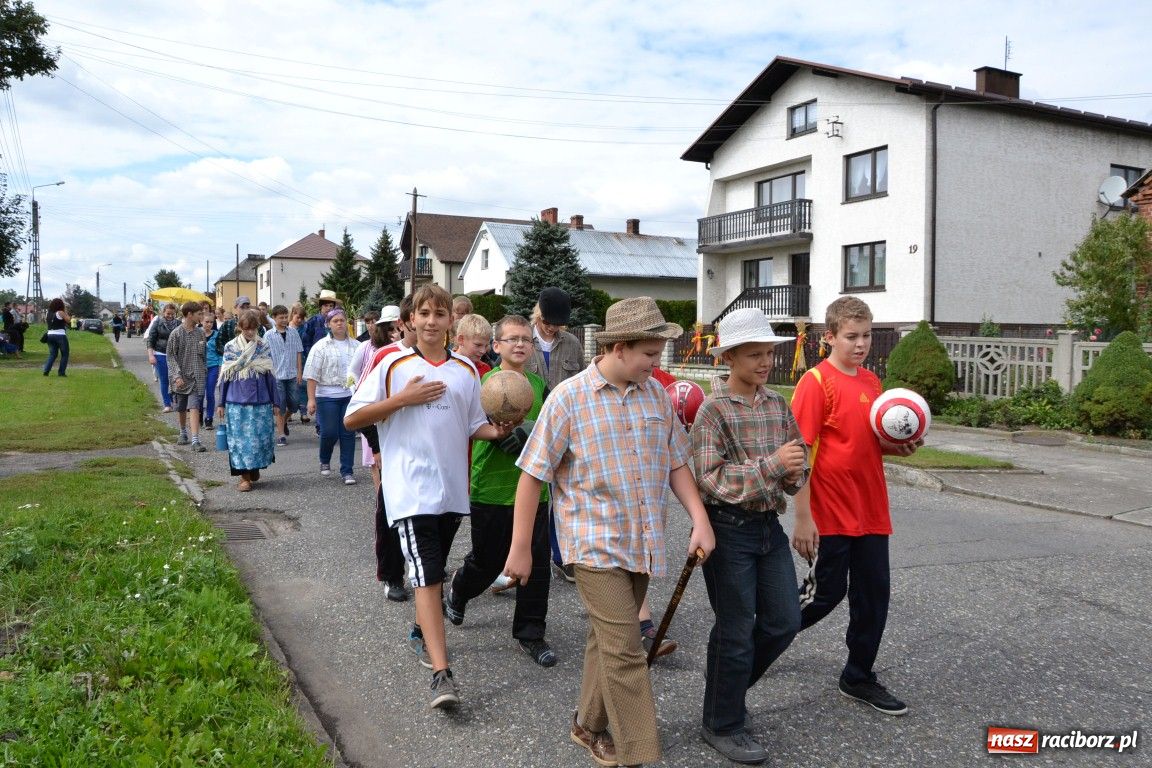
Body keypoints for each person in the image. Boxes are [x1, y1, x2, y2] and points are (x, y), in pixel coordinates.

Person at [505, 296, 716, 768]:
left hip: (640, 540)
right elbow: (532, 475)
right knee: (627, 649)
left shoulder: (656, 395)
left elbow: (677, 461)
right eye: (648, 353)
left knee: (607, 639)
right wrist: (521, 549)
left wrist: (699, 519)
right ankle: (639, 752)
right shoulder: (569, 399)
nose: (655, 363)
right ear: (618, 348)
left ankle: (587, 726)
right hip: (591, 543)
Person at [344, 284, 514, 710]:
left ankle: (422, 631)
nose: (432, 321)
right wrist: (403, 399)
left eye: (440, 313)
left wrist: (500, 430)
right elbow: (353, 417)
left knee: (431, 572)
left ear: (450, 321)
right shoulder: (390, 362)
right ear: (410, 320)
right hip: (409, 488)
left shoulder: (466, 370)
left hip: (451, 490)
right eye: (424, 313)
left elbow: (473, 423)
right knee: (428, 573)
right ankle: (442, 674)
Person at [790, 296, 921, 718]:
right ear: (829, 337)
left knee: (874, 597)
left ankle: (858, 675)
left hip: (871, 511)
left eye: (866, 335)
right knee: (826, 594)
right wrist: (804, 517)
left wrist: (899, 448)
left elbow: (868, 444)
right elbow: (799, 453)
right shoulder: (816, 382)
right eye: (851, 336)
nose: (861, 344)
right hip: (830, 511)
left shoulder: (871, 383)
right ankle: (761, 636)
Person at [691, 307, 808, 764]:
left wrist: (795, 473)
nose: (765, 363)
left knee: (784, 621)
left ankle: (728, 691)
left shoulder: (777, 403)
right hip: (728, 530)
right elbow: (709, 479)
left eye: (768, 353)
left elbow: (796, 456)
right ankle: (722, 723)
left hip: (767, 527)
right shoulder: (712, 410)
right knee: (737, 630)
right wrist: (775, 467)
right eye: (755, 354)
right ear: (730, 357)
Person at [442, 314, 556, 667]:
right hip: (490, 488)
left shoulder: (540, 386)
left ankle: (530, 633)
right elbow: (465, 427)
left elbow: (555, 427)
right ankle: (459, 591)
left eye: (526, 339)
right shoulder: (480, 383)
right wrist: (497, 436)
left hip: (535, 491)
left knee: (536, 567)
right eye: (512, 339)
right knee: (487, 561)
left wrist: (531, 432)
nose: (520, 344)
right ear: (497, 346)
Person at [523, 288, 586, 583]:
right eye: (548, 321)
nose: (552, 328)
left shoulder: (572, 344)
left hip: (565, 426)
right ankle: (519, 554)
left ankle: (561, 557)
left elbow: (582, 383)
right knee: (529, 494)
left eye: (557, 323)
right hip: (529, 426)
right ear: (539, 313)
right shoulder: (523, 339)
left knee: (562, 494)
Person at [215, 310, 281, 492]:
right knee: (239, 441)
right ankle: (244, 478)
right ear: (240, 328)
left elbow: (270, 375)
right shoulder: (230, 347)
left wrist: (276, 402)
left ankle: (254, 469)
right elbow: (225, 375)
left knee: (259, 439)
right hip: (236, 401)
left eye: (253, 329)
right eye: (246, 329)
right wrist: (220, 403)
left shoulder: (263, 346)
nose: (250, 333)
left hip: (260, 400)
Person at [304, 307, 359, 484]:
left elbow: (362, 370)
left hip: (349, 395)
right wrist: (311, 399)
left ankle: (347, 471)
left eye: (342, 320)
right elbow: (312, 375)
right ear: (328, 324)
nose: (340, 323)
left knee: (348, 432)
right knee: (329, 432)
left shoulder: (357, 346)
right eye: (335, 321)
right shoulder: (320, 347)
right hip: (327, 395)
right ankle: (325, 459)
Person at [165, 301, 209, 452]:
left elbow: (204, 355)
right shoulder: (176, 334)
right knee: (181, 407)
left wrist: (205, 371)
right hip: (181, 378)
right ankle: (183, 431)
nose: (202, 317)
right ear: (189, 314)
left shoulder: (201, 333)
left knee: (195, 407)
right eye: (199, 314)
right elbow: (170, 357)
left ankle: (196, 440)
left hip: (197, 377)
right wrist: (177, 376)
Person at [300, 289, 342, 433]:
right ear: (321, 307)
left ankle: (335, 424)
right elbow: (305, 342)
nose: (329, 308)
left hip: (334, 362)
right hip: (318, 362)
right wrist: (309, 359)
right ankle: (320, 425)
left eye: (332, 306)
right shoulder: (313, 321)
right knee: (319, 393)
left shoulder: (339, 321)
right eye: (326, 306)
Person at [264, 304, 303, 447]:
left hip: (292, 373)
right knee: (280, 405)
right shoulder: (268, 335)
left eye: (286, 317)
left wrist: (299, 371)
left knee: (294, 404)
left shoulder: (293, 332)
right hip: (277, 375)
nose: (284, 320)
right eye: (281, 318)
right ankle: (281, 435)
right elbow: (265, 355)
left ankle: (285, 420)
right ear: (274, 318)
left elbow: (299, 351)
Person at [147, 303, 181, 412]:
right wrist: (151, 355)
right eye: (168, 313)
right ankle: (167, 404)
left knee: (176, 379)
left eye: (172, 314)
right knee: (164, 380)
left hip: (175, 355)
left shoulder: (179, 324)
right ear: (163, 312)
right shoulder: (158, 323)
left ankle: (174, 401)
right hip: (160, 354)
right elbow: (150, 340)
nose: (170, 316)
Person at [42, 298, 71, 376]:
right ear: (60, 305)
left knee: (53, 354)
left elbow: (46, 322)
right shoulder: (60, 312)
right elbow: (68, 320)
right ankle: (61, 372)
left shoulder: (48, 313)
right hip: (60, 335)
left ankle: (46, 370)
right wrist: (65, 310)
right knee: (65, 354)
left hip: (49, 335)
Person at [202, 313, 221, 430]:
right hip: (199, 367)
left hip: (213, 366)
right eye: (206, 322)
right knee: (199, 394)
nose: (209, 324)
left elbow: (220, 352)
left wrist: (220, 367)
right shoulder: (197, 333)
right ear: (202, 322)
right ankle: (198, 414)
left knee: (210, 393)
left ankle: (209, 418)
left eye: (211, 322)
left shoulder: (217, 335)